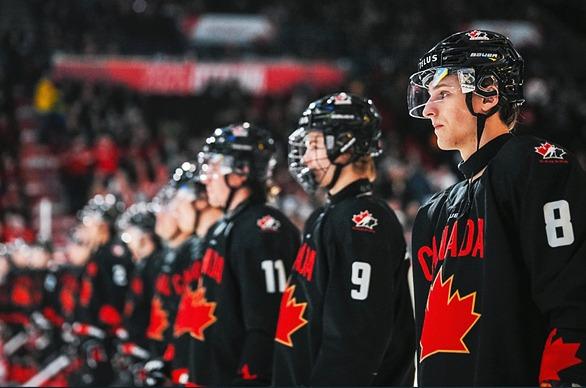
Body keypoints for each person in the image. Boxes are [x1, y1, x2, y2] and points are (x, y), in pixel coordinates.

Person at [407, 30, 586, 386]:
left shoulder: (533, 165)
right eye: (428, 97)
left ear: (487, 93)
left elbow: (574, 300)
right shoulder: (433, 214)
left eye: (442, 94)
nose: (428, 109)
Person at [273, 92, 415, 386]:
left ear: (346, 146)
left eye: (314, 144)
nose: (307, 157)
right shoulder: (328, 216)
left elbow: (355, 338)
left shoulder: (363, 220)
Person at [187, 123, 300, 385]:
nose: (206, 178)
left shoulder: (265, 229)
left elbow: (268, 320)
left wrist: (251, 378)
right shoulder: (224, 226)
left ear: (240, 172)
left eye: (213, 167)